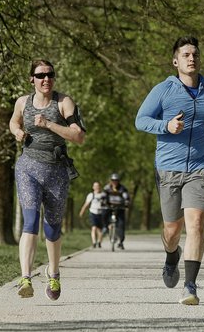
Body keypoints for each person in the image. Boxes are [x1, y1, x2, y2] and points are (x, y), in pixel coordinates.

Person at [135, 36, 204, 305]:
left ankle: (190, 285)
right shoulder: (163, 90)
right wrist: (166, 127)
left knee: (197, 224)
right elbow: (140, 120)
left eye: (195, 54)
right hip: (168, 169)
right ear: (175, 61)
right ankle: (170, 256)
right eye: (186, 54)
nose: (191, 58)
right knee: (172, 230)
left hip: (201, 168)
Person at [9, 59, 86, 301]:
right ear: (31, 78)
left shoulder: (63, 103)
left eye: (50, 75)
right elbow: (14, 120)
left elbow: (79, 136)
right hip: (28, 167)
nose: (46, 79)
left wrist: (50, 124)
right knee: (30, 220)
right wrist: (17, 131)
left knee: (52, 228)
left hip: (56, 172)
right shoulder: (23, 102)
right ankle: (25, 277)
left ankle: (53, 273)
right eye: (40, 75)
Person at [103, 173, 130, 249]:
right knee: (104, 213)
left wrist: (126, 203)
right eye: (113, 180)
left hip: (120, 207)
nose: (115, 182)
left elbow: (126, 197)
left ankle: (120, 241)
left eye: (116, 180)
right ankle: (105, 227)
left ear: (118, 181)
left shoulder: (122, 188)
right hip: (109, 206)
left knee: (121, 224)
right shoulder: (107, 188)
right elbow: (103, 196)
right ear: (111, 181)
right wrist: (103, 201)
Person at [79, 181, 107, 248]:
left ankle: (99, 242)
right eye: (95, 186)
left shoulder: (103, 195)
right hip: (93, 212)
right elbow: (86, 204)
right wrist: (82, 212)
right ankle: (94, 242)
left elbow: (107, 204)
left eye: (98, 186)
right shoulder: (91, 195)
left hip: (101, 213)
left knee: (100, 230)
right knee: (94, 228)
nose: (97, 187)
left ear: (100, 187)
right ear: (93, 187)